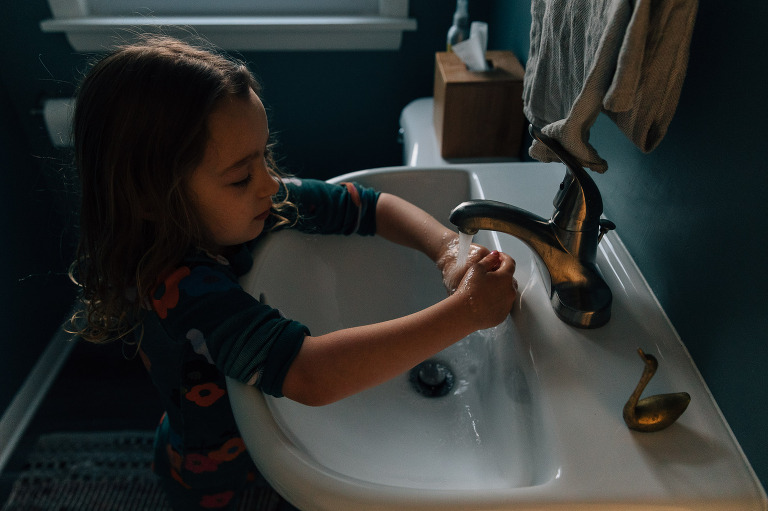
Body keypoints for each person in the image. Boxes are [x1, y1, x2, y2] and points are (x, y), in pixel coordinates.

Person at [69, 35, 518, 510]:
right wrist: (466, 312)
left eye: (264, 155)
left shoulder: (258, 202)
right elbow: (310, 375)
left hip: (251, 436)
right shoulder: (178, 285)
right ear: (152, 199)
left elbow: (370, 206)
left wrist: (448, 250)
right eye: (241, 176)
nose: (268, 183)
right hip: (210, 470)